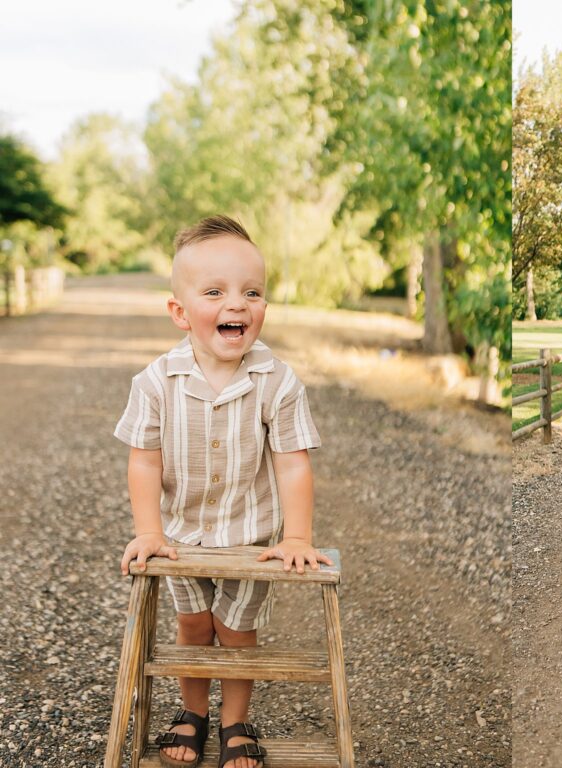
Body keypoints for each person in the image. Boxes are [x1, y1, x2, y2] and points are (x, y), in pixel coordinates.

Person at [115, 215, 330, 768]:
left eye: (251, 292)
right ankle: (193, 714)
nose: (237, 304)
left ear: (263, 307)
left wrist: (298, 535)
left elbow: (292, 463)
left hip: (249, 537)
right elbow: (143, 461)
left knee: (236, 629)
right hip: (182, 538)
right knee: (192, 626)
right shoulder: (155, 382)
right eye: (215, 292)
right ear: (180, 313)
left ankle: (236, 722)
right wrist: (149, 531)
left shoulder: (277, 382)